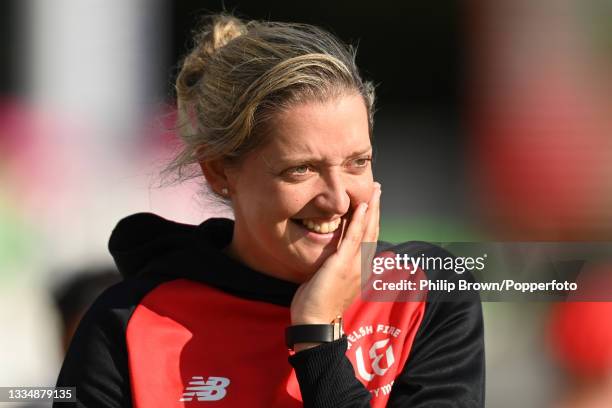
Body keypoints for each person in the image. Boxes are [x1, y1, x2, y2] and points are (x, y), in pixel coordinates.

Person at [55, 14, 485, 407]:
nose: (337, 199)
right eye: (301, 170)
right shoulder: (128, 322)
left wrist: (317, 336)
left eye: (358, 162)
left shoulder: (425, 293)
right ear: (219, 172)